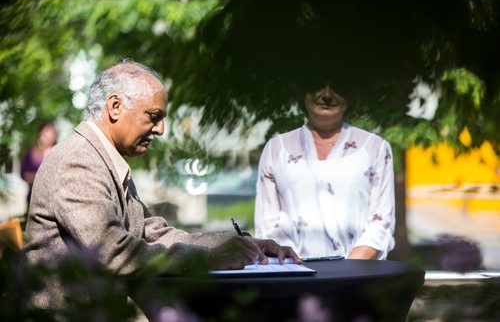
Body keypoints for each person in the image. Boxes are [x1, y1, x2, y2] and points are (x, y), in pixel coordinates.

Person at [24, 60, 299, 313]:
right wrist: (207, 258)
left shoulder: (103, 160)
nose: (160, 130)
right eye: (153, 116)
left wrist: (240, 244)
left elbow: (156, 234)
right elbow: (114, 252)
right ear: (115, 107)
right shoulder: (79, 161)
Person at [254, 83, 395, 260]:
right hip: (292, 275)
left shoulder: (375, 148)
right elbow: (267, 226)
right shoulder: (276, 149)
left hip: (358, 276)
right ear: (302, 94)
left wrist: (347, 273)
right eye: (318, 85)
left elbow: (381, 223)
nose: (327, 95)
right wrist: (297, 271)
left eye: (337, 86)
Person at [20, 120, 58, 208]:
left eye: (51, 132)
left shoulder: (57, 151)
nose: (47, 135)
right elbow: (23, 173)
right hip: (33, 196)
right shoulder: (31, 151)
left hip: (51, 198)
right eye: (45, 132)